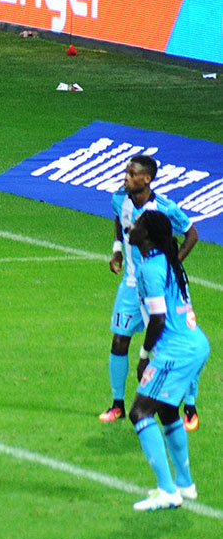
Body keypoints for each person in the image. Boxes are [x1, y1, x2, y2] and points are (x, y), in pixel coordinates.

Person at [101, 155, 199, 428]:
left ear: (147, 179)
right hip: (132, 285)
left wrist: (173, 266)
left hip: (159, 285)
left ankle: (188, 405)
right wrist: (117, 251)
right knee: (119, 340)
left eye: (132, 174)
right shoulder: (119, 199)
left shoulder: (164, 208)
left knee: (171, 344)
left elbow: (192, 233)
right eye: (126, 172)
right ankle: (117, 405)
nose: (126, 177)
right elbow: (120, 222)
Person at [126, 210, 209, 511]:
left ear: (146, 235)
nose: (132, 227)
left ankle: (167, 490)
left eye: (138, 225)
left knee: (139, 412)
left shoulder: (151, 268)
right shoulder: (168, 262)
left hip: (176, 350)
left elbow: (158, 319)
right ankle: (185, 485)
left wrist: (144, 356)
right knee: (167, 410)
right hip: (194, 342)